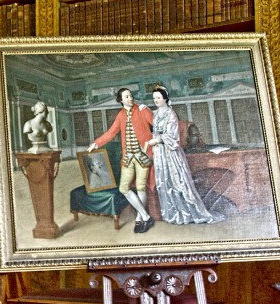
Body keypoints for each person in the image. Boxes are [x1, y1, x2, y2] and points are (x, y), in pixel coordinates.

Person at [144, 86, 224, 225]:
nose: (156, 100)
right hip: (160, 154)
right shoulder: (155, 114)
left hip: (171, 153)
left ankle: (186, 213)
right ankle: (173, 213)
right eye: (154, 98)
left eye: (158, 97)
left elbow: (173, 137)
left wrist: (156, 140)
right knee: (165, 183)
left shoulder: (171, 114)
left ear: (165, 98)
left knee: (178, 183)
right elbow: (154, 130)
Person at [88, 87, 154, 233]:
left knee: (141, 187)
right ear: (121, 100)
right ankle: (146, 216)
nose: (130, 98)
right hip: (128, 157)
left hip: (143, 156)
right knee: (124, 188)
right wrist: (96, 143)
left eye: (131, 96)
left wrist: (149, 109)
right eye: (127, 96)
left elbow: (158, 123)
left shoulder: (142, 110)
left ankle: (139, 219)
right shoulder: (120, 115)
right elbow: (111, 133)